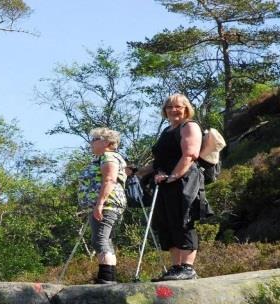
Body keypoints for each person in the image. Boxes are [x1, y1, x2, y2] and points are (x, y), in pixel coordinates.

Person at [138, 93, 211, 280]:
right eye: (169, 107)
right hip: (164, 183)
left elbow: (190, 154)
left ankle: (188, 267)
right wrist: (138, 171)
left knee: (183, 219)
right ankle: (176, 267)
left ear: (186, 109)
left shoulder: (189, 126)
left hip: (184, 181)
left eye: (178, 106)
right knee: (167, 223)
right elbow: (158, 162)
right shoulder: (166, 131)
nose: (173, 110)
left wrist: (173, 176)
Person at [78, 127, 127, 284]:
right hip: (107, 204)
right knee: (105, 239)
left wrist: (99, 204)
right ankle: (108, 277)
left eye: (94, 140)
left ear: (107, 142)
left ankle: (106, 277)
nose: (91, 143)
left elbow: (109, 179)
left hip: (107, 204)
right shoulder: (103, 158)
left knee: (99, 239)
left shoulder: (108, 157)